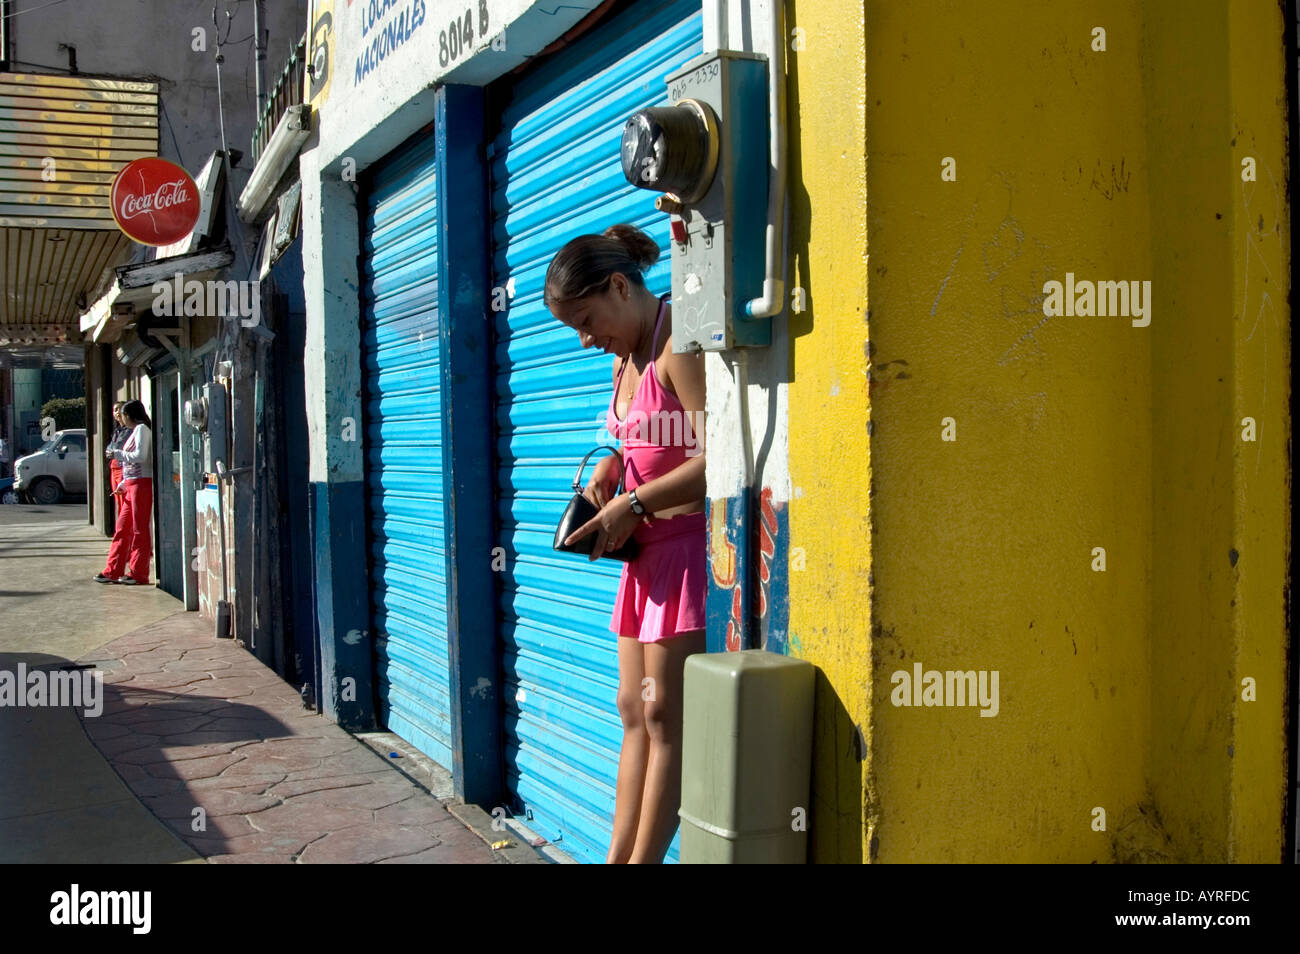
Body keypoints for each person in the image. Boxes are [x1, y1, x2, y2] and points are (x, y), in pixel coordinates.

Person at [548, 223, 707, 864]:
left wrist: (634, 503)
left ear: (619, 285)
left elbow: (720, 460)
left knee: (666, 715)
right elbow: (640, 439)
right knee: (632, 712)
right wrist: (612, 472)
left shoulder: (680, 345)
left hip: (684, 554)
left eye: (588, 321)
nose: (588, 340)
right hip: (640, 559)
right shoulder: (625, 359)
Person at [95, 399, 153, 585]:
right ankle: (113, 569)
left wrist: (117, 454)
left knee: (139, 529)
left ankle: (138, 573)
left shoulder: (142, 429)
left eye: (124, 414)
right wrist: (124, 482)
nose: (122, 418)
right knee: (122, 528)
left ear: (130, 415)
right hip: (131, 483)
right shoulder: (136, 431)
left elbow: (140, 457)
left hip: (142, 483)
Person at [105, 402, 130, 510]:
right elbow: (109, 448)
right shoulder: (117, 430)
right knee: (118, 501)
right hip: (114, 467)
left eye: (120, 409)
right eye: (115, 410)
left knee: (124, 500)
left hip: (122, 467)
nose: (117, 413)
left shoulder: (129, 429)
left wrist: (112, 451)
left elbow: (119, 446)